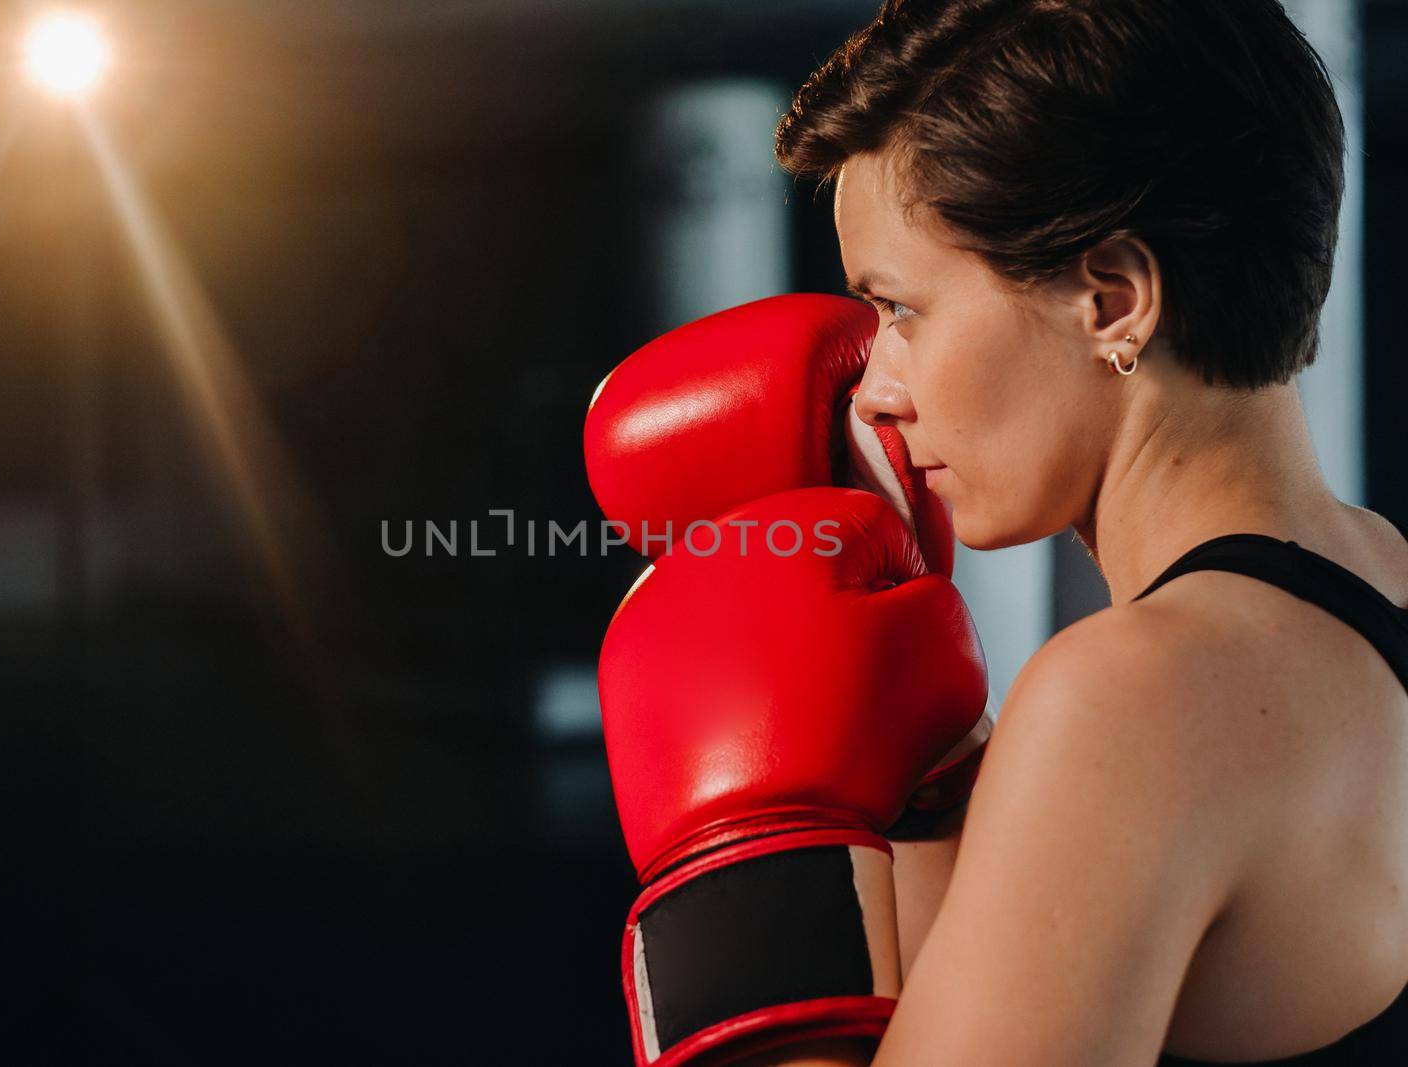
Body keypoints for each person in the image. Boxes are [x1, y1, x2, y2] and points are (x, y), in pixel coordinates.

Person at [593, 1, 1407, 1064]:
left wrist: (751, 872)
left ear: (1111, 300)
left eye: (902, 310)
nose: (877, 385)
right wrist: (931, 773)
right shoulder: (1380, 582)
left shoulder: (1131, 699)